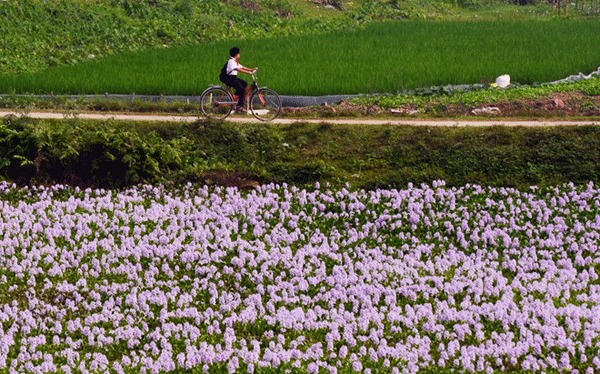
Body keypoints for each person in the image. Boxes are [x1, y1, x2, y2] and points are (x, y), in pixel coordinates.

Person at [220, 47, 257, 113]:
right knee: (242, 90)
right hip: (228, 79)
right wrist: (248, 73)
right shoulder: (231, 61)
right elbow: (238, 69)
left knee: (244, 83)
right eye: (239, 53)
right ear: (236, 54)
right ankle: (239, 106)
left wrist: (250, 69)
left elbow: (241, 67)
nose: (240, 54)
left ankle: (236, 96)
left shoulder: (234, 61)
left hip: (232, 78)